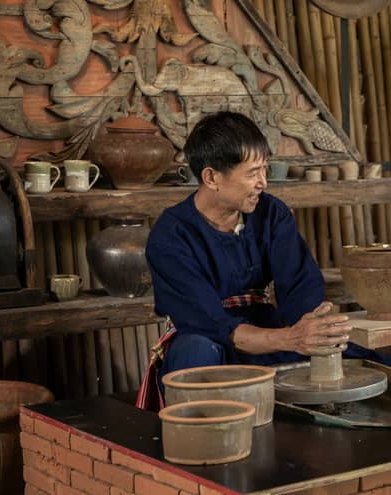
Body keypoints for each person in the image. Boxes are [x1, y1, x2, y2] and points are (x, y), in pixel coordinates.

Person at [139, 111, 356, 408]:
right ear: (211, 177)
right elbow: (211, 322)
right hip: (207, 337)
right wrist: (291, 339)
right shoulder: (171, 237)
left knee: (363, 363)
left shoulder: (271, 213)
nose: (263, 183)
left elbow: (300, 287)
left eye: (265, 169)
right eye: (253, 173)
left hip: (268, 328)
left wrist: (313, 329)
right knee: (195, 353)